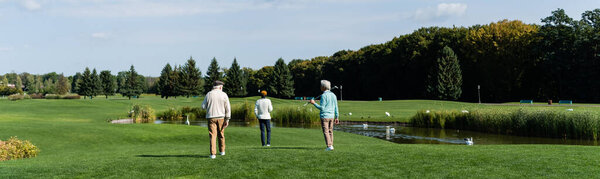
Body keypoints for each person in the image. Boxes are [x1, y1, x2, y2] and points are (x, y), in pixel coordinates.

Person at [201, 80, 231, 159]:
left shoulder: (208, 94)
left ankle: (213, 154)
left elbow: (203, 106)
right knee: (221, 134)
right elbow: (228, 108)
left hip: (211, 117)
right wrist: (227, 119)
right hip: (221, 117)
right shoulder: (224, 94)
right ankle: (222, 151)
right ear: (220, 87)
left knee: (212, 135)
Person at [310, 80, 339, 151]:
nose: (320, 87)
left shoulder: (323, 96)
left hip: (325, 116)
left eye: (321, 85)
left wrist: (314, 103)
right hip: (332, 116)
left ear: (323, 87)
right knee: (330, 131)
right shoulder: (333, 95)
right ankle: (331, 145)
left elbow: (322, 108)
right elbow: (336, 107)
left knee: (326, 131)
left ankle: (329, 146)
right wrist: (337, 117)